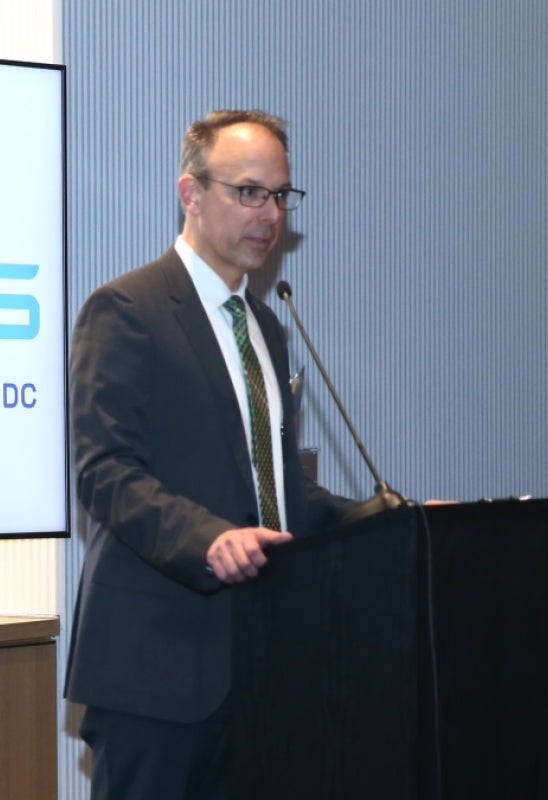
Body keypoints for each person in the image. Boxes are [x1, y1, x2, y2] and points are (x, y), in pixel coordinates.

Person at [65, 109, 356, 800]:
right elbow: (103, 470)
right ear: (191, 194)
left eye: (281, 195)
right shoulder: (127, 310)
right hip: (156, 672)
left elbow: (279, 493)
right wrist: (209, 539)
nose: (269, 214)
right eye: (248, 192)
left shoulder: (266, 329)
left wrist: (395, 518)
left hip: (259, 668)